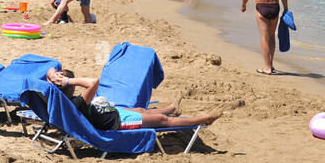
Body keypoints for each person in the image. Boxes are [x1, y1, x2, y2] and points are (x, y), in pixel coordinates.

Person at [45, 67, 221, 130]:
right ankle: (203, 119)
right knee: (162, 120)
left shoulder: (60, 98)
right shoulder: (75, 103)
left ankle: (171, 108)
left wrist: (56, 77)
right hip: (115, 122)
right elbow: (94, 82)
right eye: (70, 83)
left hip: (106, 112)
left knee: (141, 110)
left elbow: (51, 68)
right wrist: (67, 79)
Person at [240, 0, 288, 75]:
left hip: (262, 8)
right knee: (272, 37)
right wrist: (286, 9)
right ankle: (270, 65)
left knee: (264, 38)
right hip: (275, 7)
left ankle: (267, 67)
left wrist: (243, 5)